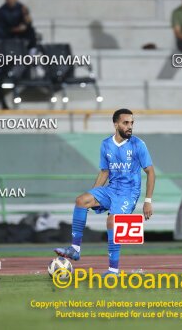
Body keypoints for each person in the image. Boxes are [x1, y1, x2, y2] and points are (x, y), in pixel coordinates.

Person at [54, 109, 155, 276]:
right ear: (116, 124)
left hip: (129, 193)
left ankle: (113, 270)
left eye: (132, 123)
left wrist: (148, 200)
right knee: (81, 200)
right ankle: (74, 249)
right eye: (126, 123)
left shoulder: (138, 144)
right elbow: (104, 172)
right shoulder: (106, 144)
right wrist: (94, 193)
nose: (130, 126)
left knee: (112, 221)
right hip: (111, 189)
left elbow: (150, 172)